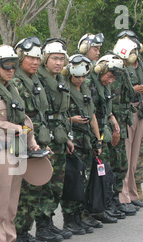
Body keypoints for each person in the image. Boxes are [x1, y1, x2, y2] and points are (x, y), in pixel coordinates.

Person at [0, 45, 40, 242]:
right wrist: (14, 128)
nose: (11, 69)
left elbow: (24, 117)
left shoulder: (11, 88)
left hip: (17, 149)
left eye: (13, 64)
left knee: (11, 202)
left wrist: (32, 141)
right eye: (6, 65)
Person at [12, 36, 54, 242]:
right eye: (31, 57)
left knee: (36, 188)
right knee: (24, 192)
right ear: (20, 57)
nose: (35, 62)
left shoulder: (35, 80)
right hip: (25, 140)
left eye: (38, 58)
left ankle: (26, 231)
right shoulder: (16, 81)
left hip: (39, 140)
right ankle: (17, 234)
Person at [37, 38, 78, 237]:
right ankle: (42, 225)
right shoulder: (39, 79)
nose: (59, 62)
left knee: (57, 182)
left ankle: (50, 220)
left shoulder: (60, 79)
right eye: (54, 58)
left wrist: (67, 137)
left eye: (62, 59)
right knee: (46, 181)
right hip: (46, 135)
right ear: (45, 58)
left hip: (59, 134)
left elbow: (62, 112)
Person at [61, 54, 104, 230]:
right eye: (77, 76)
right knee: (73, 179)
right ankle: (69, 218)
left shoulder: (86, 88)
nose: (80, 79)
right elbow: (60, 115)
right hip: (73, 138)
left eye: (83, 76)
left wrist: (97, 139)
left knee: (84, 179)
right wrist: (72, 120)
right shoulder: (65, 89)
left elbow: (92, 115)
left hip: (86, 138)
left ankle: (81, 215)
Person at [113, 36, 143, 212]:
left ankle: (132, 194)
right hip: (126, 113)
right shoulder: (116, 67)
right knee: (126, 157)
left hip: (138, 109)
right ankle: (123, 196)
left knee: (134, 156)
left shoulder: (140, 65)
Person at [87, 53, 125, 223]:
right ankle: (94, 209)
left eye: (113, 78)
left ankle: (106, 204)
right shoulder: (90, 84)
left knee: (106, 170)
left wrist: (113, 122)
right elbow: (91, 112)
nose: (111, 81)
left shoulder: (104, 86)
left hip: (104, 129)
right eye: (109, 76)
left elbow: (106, 109)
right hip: (91, 133)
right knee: (94, 173)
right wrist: (97, 139)